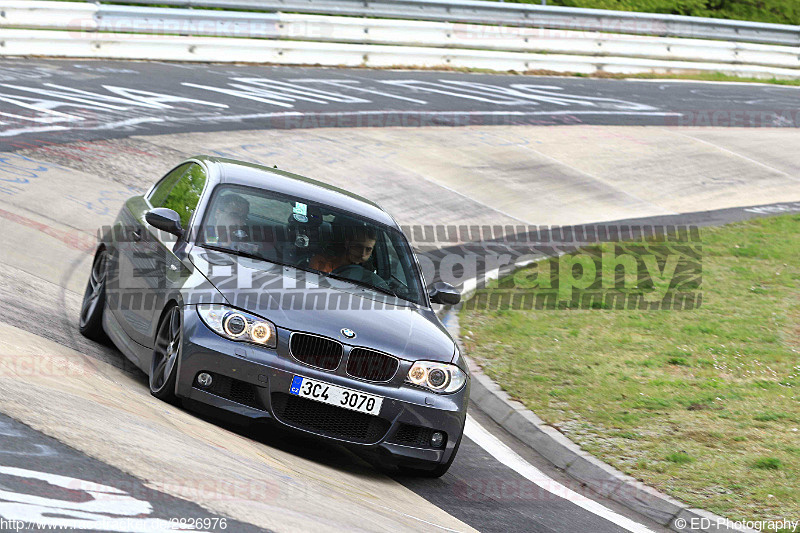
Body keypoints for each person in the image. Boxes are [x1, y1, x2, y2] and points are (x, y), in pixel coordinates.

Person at [310, 225, 376, 273]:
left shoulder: (370, 276)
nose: (362, 253)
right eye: (358, 247)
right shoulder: (321, 263)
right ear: (347, 243)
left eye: (368, 249)